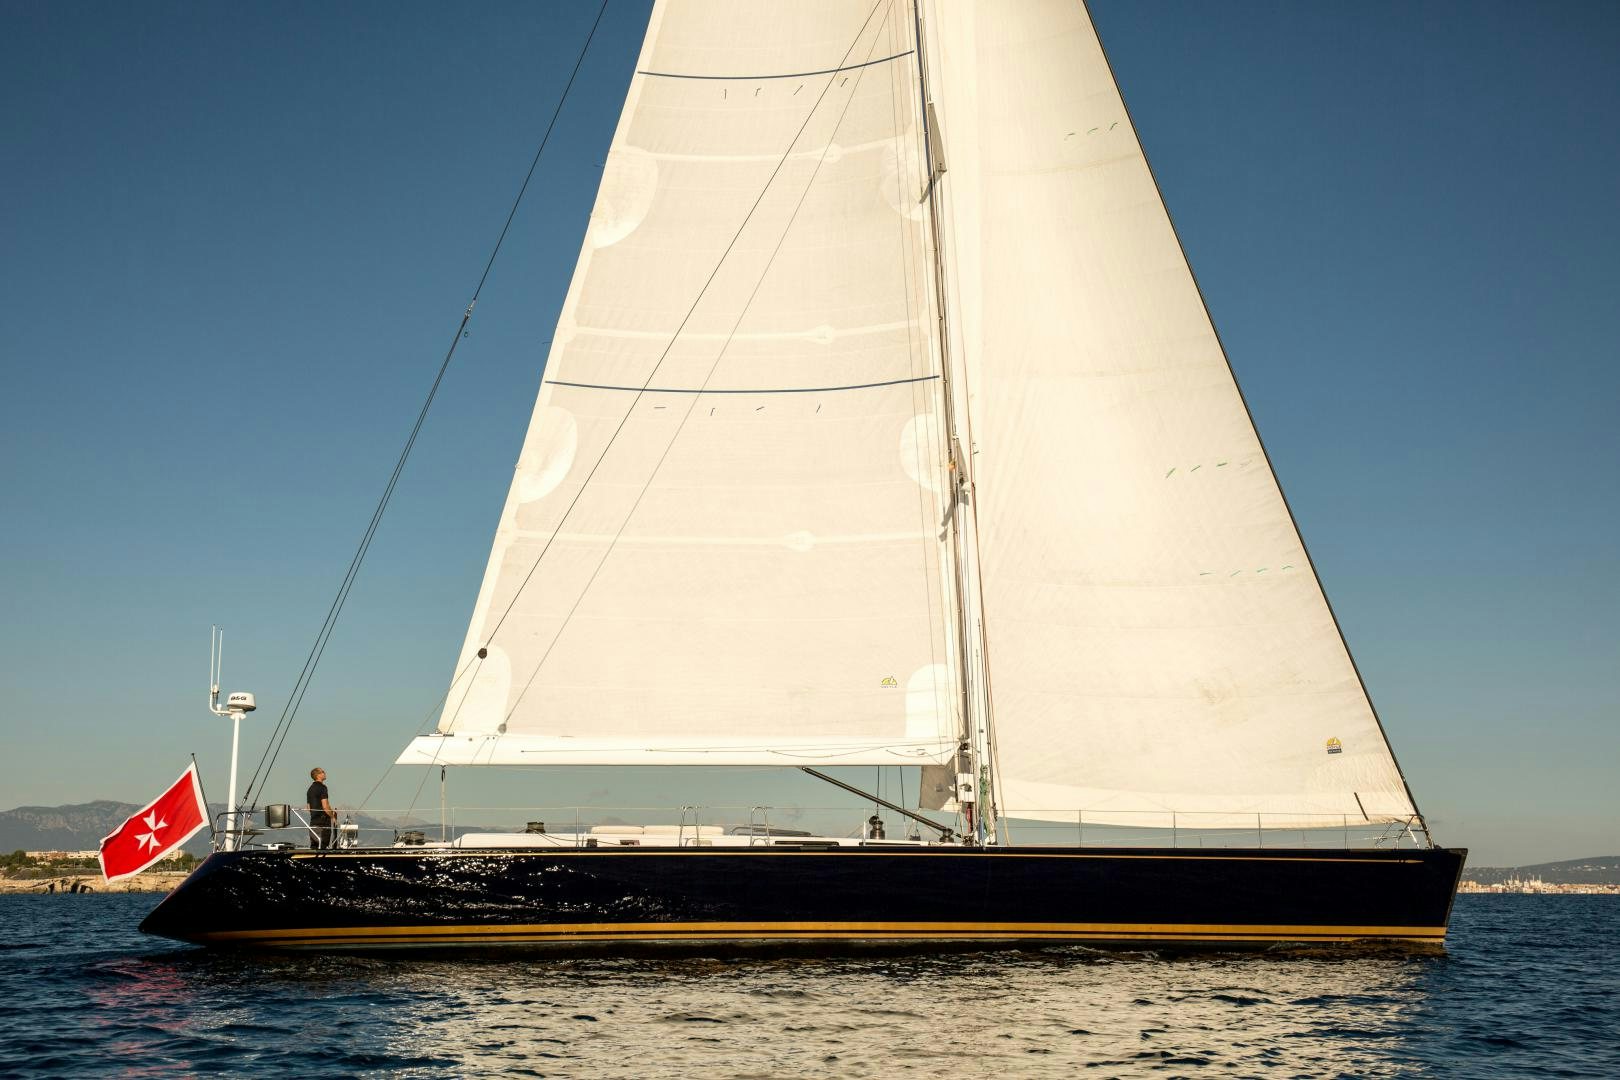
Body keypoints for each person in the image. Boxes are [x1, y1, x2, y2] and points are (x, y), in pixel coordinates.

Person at [306, 767, 334, 850]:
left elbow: (308, 807)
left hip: (313, 822)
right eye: (323, 772)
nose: (324, 773)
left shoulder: (310, 789)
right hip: (323, 822)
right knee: (323, 846)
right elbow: (325, 806)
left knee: (314, 846)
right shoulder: (322, 787)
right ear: (318, 775)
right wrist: (333, 816)